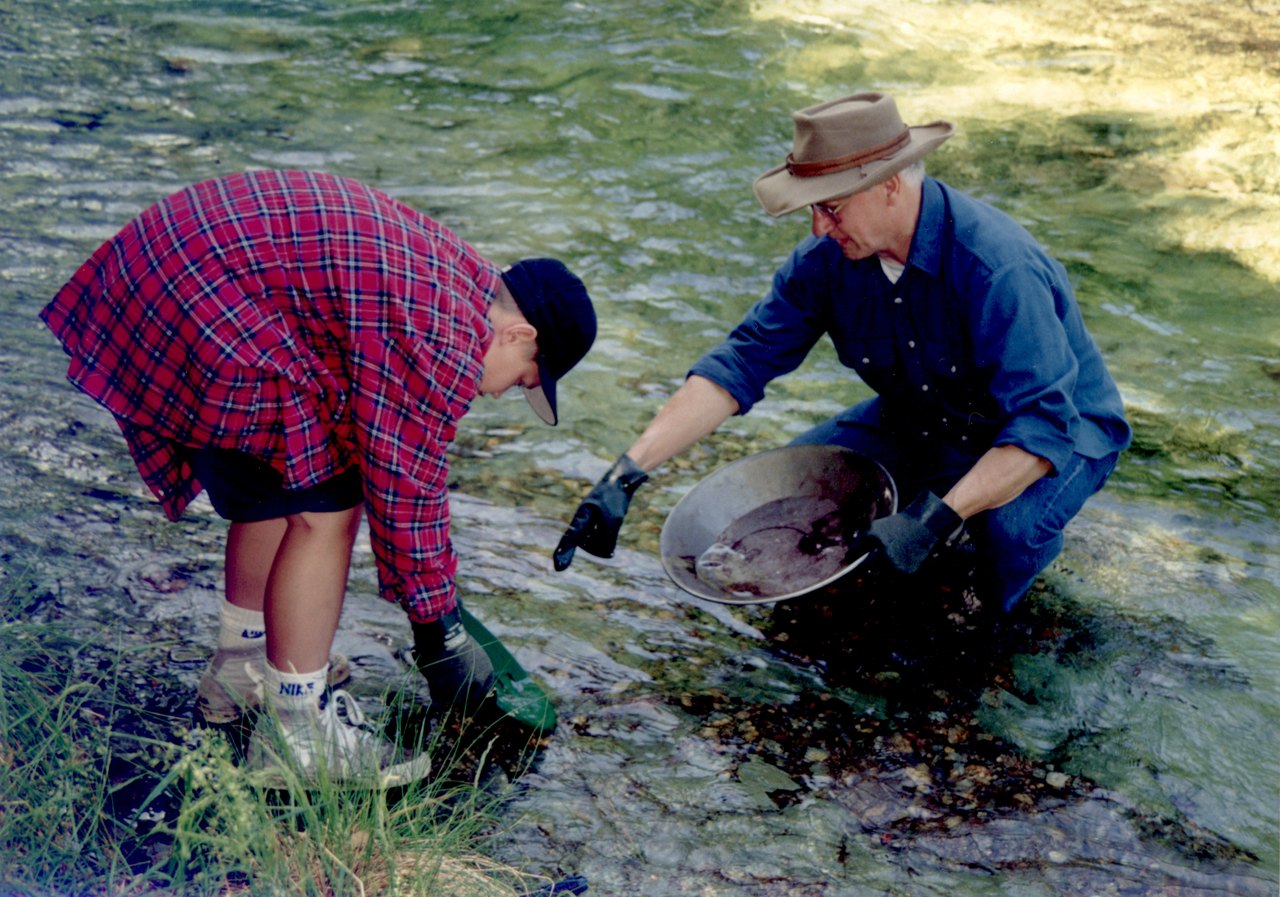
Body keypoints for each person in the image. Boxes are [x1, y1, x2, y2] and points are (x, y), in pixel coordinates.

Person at [41, 169, 597, 786]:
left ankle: (241, 666)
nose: (507, 392)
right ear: (518, 334)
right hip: (199, 299)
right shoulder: (446, 334)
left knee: (288, 470)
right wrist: (441, 635)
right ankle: (298, 737)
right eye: (524, 377)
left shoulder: (454, 274)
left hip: (169, 270)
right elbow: (407, 492)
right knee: (330, 503)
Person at [553, 91, 1130, 615]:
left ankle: (995, 624)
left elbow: (1041, 426)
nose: (817, 228)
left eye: (830, 207)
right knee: (794, 494)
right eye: (811, 209)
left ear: (890, 185)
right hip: (923, 418)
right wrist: (626, 473)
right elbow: (740, 363)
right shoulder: (824, 263)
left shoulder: (995, 267)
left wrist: (936, 519)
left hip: (1060, 431)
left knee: (1004, 531)